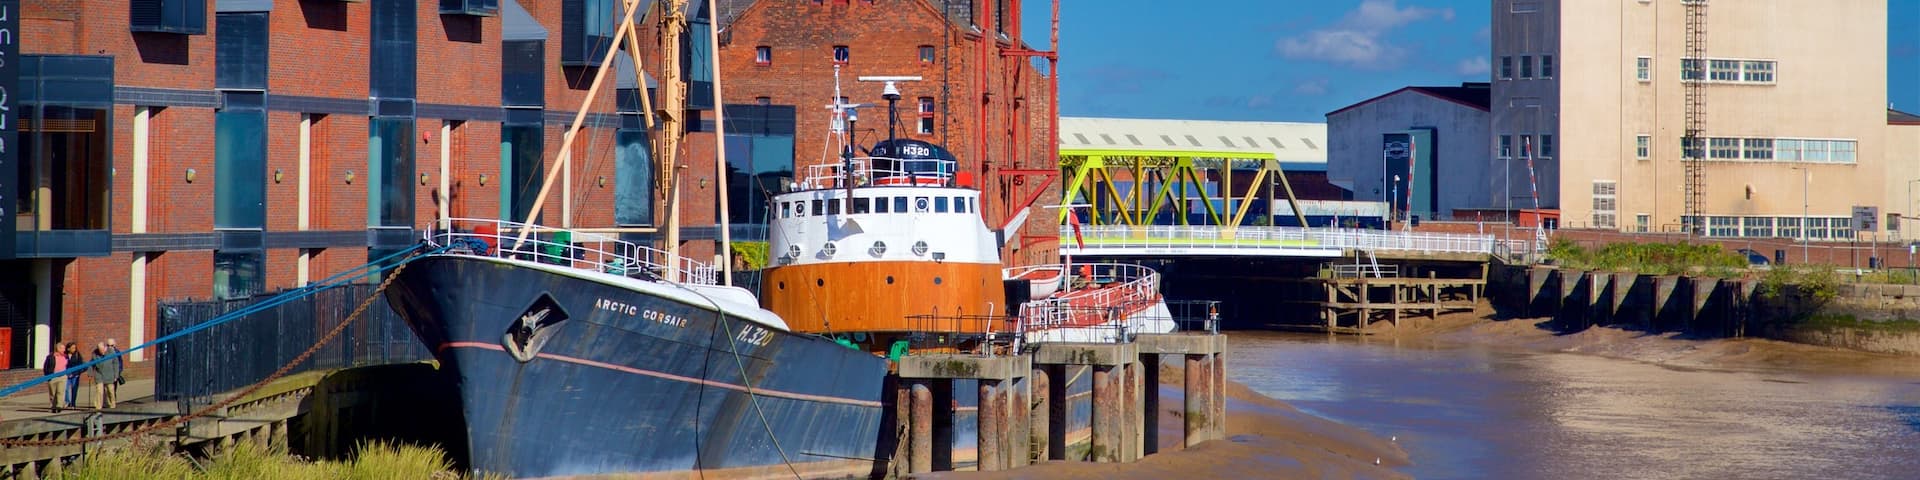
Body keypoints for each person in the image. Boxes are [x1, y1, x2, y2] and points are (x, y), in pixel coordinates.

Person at [91, 341, 121, 409]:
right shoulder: (95, 353)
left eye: (102, 350)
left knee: (110, 391)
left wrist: (116, 375)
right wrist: (90, 373)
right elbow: (91, 363)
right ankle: (98, 406)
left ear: (105, 348)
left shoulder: (112, 352)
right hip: (99, 374)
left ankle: (112, 404)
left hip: (109, 374)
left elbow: (116, 364)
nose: (101, 352)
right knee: (99, 391)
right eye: (99, 350)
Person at [42, 344, 68, 413]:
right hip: (53, 376)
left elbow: (69, 365)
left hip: (62, 377)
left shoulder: (65, 357)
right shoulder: (50, 357)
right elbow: (45, 367)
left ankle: (59, 406)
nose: (64, 350)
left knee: (60, 391)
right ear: (58, 349)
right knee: (53, 393)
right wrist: (47, 375)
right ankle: (53, 406)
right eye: (62, 348)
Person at [63, 342, 82, 410]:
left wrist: (75, 373)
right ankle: (67, 401)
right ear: (68, 349)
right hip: (66, 375)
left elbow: (80, 365)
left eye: (75, 348)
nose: (74, 349)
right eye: (72, 348)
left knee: (74, 389)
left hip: (75, 375)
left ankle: (73, 403)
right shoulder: (65, 355)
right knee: (65, 389)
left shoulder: (77, 355)